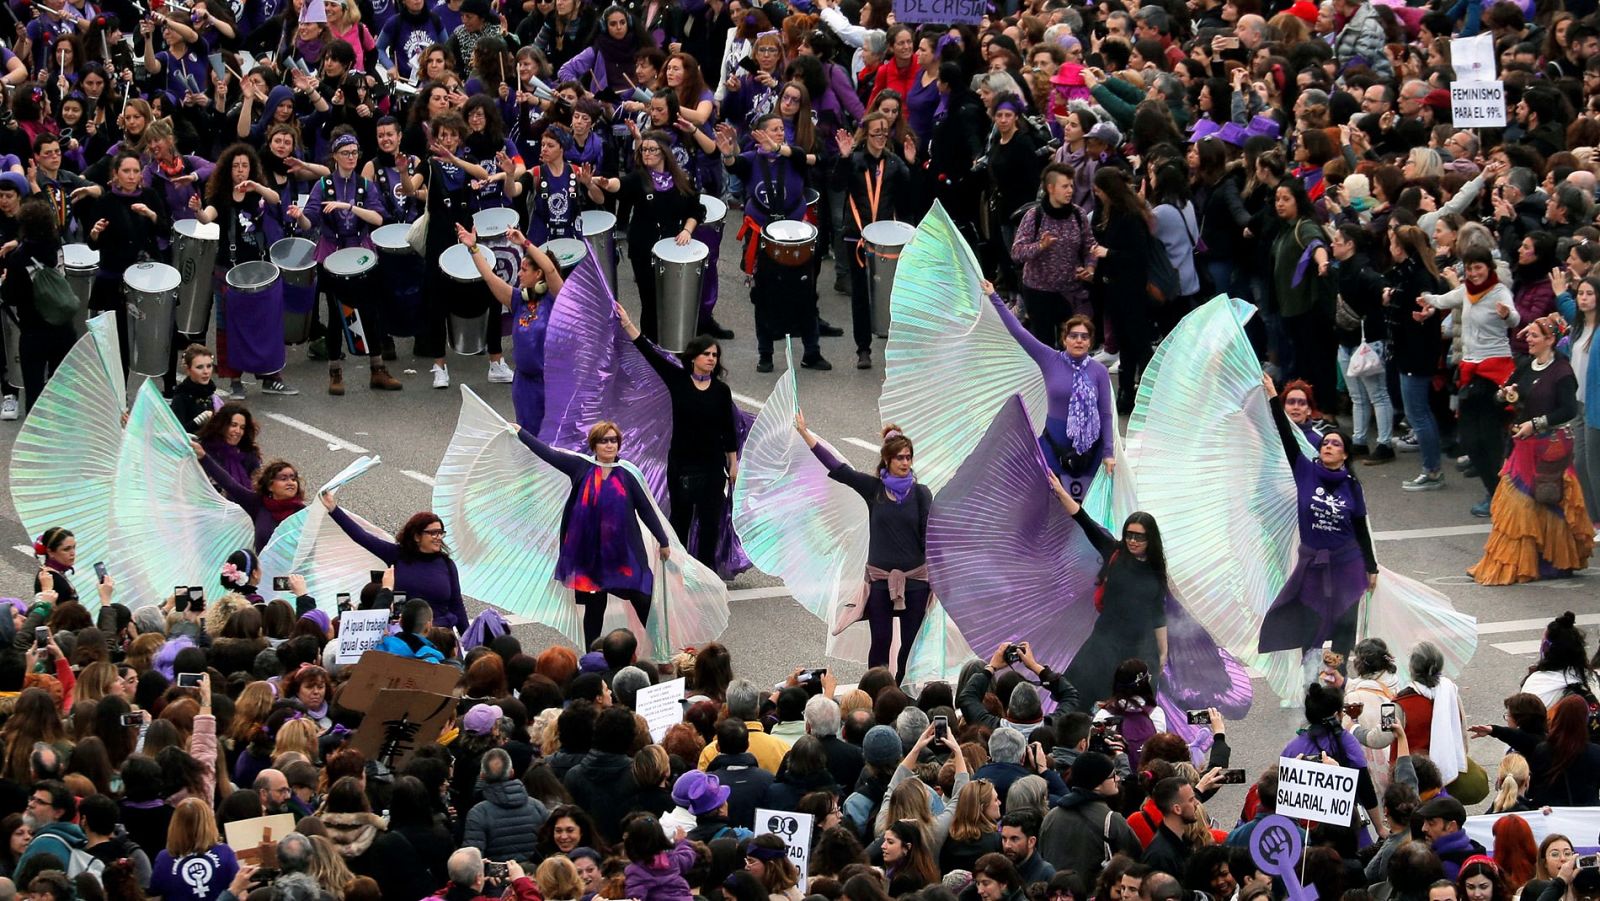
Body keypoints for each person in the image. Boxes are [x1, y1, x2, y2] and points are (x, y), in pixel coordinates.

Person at [1259, 374, 1379, 682]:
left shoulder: (1353, 486)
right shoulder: (1304, 471)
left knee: (1343, 630)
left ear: (1345, 454)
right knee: (1310, 627)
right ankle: (1311, 683)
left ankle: (1336, 682)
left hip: (1347, 567)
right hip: (1313, 566)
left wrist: (1371, 567)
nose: (1328, 447)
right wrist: (1274, 397)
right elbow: (1285, 433)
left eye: (1335, 444)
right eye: (1325, 443)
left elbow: (1360, 528)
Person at [511, 420, 671, 647]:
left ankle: (662, 651)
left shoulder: (627, 474)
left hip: (624, 555)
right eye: (604, 441)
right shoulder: (581, 467)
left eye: (613, 440)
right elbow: (547, 454)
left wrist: (663, 540)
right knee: (595, 606)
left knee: (642, 599)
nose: (609, 445)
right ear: (594, 445)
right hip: (591, 555)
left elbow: (645, 509)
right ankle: (592, 656)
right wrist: (521, 432)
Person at [795, 415, 930, 681]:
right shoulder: (874, 490)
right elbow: (839, 469)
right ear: (888, 461)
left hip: (915, 582)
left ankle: (903, 694)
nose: (905, 462)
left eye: (908, 457)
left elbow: (929, 537)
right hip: (879, 581)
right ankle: (877, 695)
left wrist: (938, 577)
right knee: (880, 642)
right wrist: (804, 433)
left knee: (911, 649)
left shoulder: (922, 493)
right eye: (900, 458)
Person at [1469, 315, 1594, 584]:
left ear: (1550, 340)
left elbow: (1568, 409)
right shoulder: (1526, 365)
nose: (1528, 339)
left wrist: (1536, 424)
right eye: (1528, 335)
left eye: (1534, 336)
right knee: (1517, 505)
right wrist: (1505, 394)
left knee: (1548, 501)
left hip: (1550, 447)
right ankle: (1515, 561)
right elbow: (1501, 395)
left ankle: (1552, 561)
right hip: (1521, 446)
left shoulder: (1562, 372)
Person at [615, 304, 739, 571]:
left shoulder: (721, 391)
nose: (711, 359)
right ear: (693, 357)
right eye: (706, 354)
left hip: (712, 467)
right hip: (682, 465)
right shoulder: (678, 380)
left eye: (715, 355)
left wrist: (733, 463)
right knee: (680, 522)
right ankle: (678, 572)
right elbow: (649, 353)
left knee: (709, 525)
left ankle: (707, 576)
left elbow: (727, 430)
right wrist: (627, 323)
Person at [1417, 247, 1519, 518]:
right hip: (1469, 371)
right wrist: (1424, 301)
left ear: (1489, 268)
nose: (1474, 273)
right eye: (1470, 268)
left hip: (1494, 371)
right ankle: (1496, 491)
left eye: (1479, 268)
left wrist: (1505, 315)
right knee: (1471, 442)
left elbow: (1515, 318)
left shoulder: (1499, 292)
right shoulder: (1466, 292)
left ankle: (1500, 497)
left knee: (1489, 438)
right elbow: (1442, 300)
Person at [1047, 474, 1167, 700]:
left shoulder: (1156, 570)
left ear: (1150, 539)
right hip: (1105, 642)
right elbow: (1085, 522)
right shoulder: (1114, 552)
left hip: (1141, 647)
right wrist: (1062, 493)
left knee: (1134, 706)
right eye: (1129, 534)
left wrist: (1163, 651)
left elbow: (1159, 613)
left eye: (1139, 537)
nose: (1132, 540)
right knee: (1080, 700)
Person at [587, 128, 703, 344]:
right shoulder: (639, 178)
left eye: (652, 150)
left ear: (665, 153)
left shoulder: (681, 180)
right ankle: (649, 347)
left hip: (672, 250)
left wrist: (687, 229)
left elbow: (696, 209)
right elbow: (618, 186)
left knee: (673, 300)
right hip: (644, 249)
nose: (646, 153)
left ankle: (674, 343)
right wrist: (602, 182)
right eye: (643, 150)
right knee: (650, 301)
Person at [455, 222, 564, 432]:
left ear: (538, 274)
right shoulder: (518, 300)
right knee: (528, 442)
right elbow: (489, 277)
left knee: (553, 444)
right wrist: (473, 248)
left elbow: (550, 268)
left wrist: (524, 243)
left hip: (551, 385)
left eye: (524, 269)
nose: (519, 274)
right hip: (524, 386)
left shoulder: (555, 300)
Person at [833, 112, 913, 370]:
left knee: (893, 293)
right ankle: (863, 349)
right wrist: (843, 158)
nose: (881, 138)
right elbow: (836, 185)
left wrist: (911, 166)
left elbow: (909, 196)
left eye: (884, 133)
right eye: (876, 133)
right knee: (860, 293)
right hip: (856, 236)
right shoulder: (854, 160)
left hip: (886, 240)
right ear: (866, 134)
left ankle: (895, 345)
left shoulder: (894, 163)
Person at [323, 494, 471, 631]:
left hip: (440, 635)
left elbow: (457, 604)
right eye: (433, 533)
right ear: (417, 536)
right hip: (405, 634)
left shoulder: (447, 564)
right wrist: (334, 510)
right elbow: (362, 537)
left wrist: (469, 644)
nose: (438, 537)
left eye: (440, 532)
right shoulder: (396, 555)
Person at [1010, 163, 1098, 350]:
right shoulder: (1034, 216)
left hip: (1070, 292)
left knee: (1074, 344)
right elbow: (1017, 252)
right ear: (1050, 188)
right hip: (1038, 291)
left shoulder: (1078, 214)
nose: (1070, 191)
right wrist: (1040, 246)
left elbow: (1090, 247)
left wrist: (1090, 268)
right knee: (1045, 346)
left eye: (1071, 186)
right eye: (1065, 186)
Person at [1089, 168, 1151, 414]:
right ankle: (1126, 392)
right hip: (1114, 288)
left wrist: (1108, 254)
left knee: (1137, 342)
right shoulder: (1112, 213)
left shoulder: (1130, 217)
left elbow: (1138, 256)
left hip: (1131, 289)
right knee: (1126, 344)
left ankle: (1144, 391)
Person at [1469, 695, 1600, 807]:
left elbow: (1533, 789)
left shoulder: (1544, 750)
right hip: (1585, 816)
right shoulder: (1596, 752)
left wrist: (1494, 730)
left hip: (1548, 813)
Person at [193, 449, 307, 551]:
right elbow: (230, 485)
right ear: (270, 486)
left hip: (295, 573)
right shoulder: (258, 504)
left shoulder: (304, 513)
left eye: (293, 478)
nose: (291, 482)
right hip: (263, 572)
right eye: (283, 478)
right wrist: (204, 457)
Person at [149, 798, 239, 901]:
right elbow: (240, 893)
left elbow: (155, 894)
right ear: (209, 822)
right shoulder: (225, 853)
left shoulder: (163, 858)